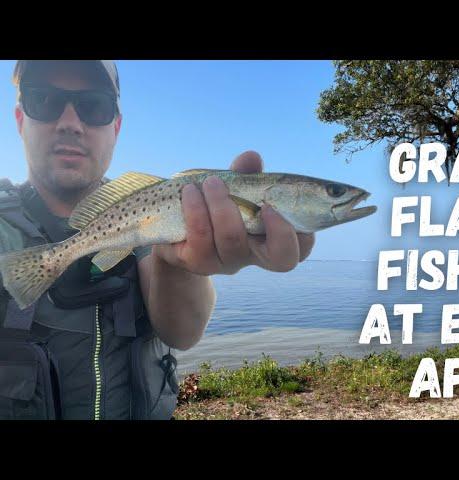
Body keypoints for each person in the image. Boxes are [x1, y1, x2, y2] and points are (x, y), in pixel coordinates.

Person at [0, 60, 315, 420]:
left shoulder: (143, 211)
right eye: (44, 100)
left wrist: (178, 265)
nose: (70, 123)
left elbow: (182, 334)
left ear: (116, 127)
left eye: (94, 106)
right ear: (20, 119)